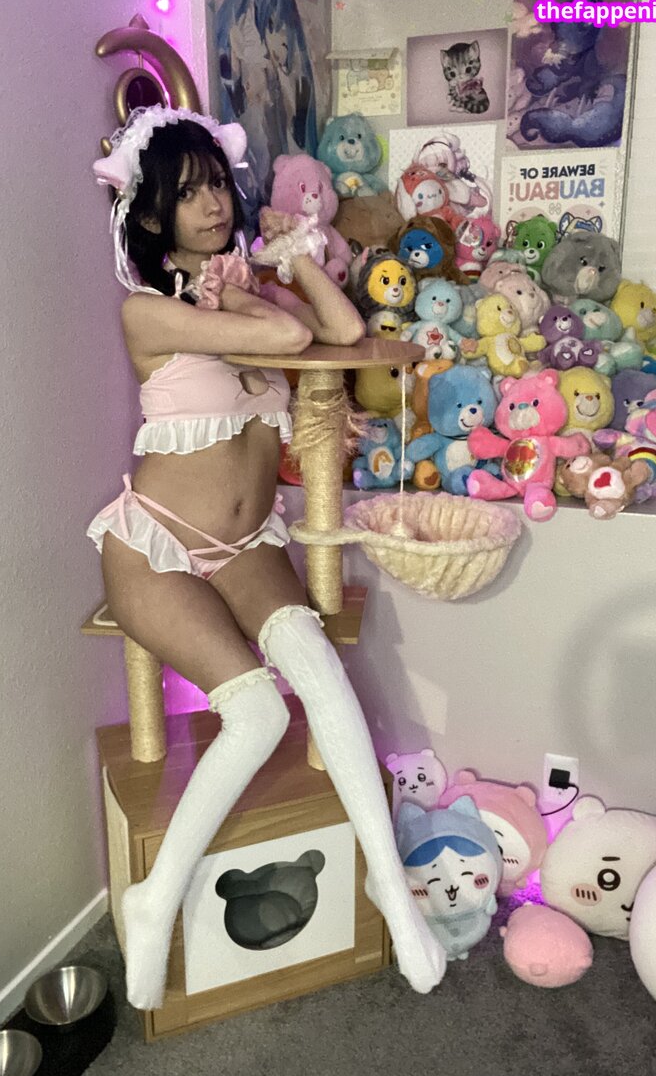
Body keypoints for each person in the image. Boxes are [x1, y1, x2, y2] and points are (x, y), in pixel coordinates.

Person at [88, 105, 446, 1011]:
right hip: (156, 547)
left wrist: (292, 258)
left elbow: (339, 328)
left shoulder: (238, 294)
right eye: (187, 193)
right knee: (254, 714)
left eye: (217, 183)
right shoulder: (149, 314)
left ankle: (388, 886)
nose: (213, 203)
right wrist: (240, 291)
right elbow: (288, 342)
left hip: (244, 545)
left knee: (320, 671)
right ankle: (156, 896)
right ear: (153, 216)